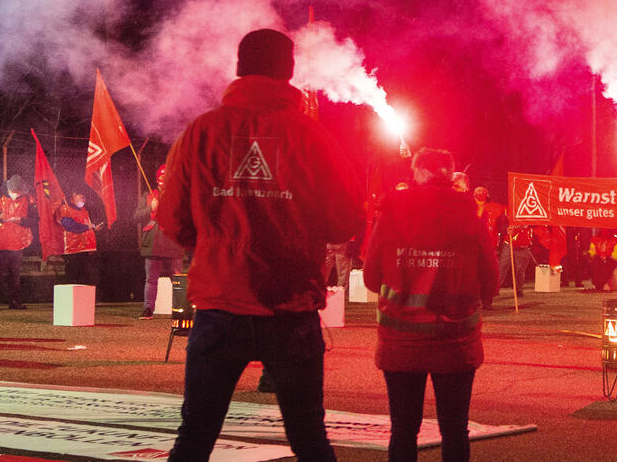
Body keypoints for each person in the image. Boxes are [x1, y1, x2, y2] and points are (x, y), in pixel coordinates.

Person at [158, 28, 364, 461]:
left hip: (220, 301)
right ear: (289, 71)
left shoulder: (203, 131)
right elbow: (345, 220)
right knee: (309, 438)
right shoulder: (311, 135)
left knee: (194, 436)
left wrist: (216, 245)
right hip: (290, 306)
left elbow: (172, 218)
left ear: (239, 67)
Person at [363, 148, 499, 462]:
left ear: (418, 172)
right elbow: (491, 280)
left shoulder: (392, 210)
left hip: (400, 342)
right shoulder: (470, 211)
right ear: (450, 174)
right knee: (455, 429)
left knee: (403, 430)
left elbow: (371, 277)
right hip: (456, 342)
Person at [135, 165, 187, 319]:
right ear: (158, 179)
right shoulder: (148, 196)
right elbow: (136, 217)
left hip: (173, 243)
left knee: (177, 280)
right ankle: (148, 309)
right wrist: (150, 208)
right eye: (162, 178)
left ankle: (181, 309)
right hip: (153, 243)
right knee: (151, 279)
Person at [0, 175, 34, 310]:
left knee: (15, 273)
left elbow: (35, 218)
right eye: (14, 192)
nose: (16, 195)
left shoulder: (28, 198)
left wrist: (22, 220)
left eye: (19, 193)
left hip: (17, 242)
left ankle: (14, 302)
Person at [56, 193, 102, 287]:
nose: (83, 199)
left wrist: (94, 228)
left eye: (84, 197)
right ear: (73, 195)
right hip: (73, 248)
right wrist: (87, 227)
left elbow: (86, 226)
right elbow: (70, 226)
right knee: (73, 276)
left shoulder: (84, 210)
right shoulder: (65, 209)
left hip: (85, 248)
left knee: (85, 277)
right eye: (81, 196)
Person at [498, 224, 535, 298]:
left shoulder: (529, 218)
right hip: (508, 243)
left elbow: (536, 225)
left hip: (523, 244)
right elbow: (499, 225)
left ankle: (519, 289)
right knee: (502, 267)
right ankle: (495, 288)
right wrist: (505, 230)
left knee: (520, 270)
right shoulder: (507, 216)